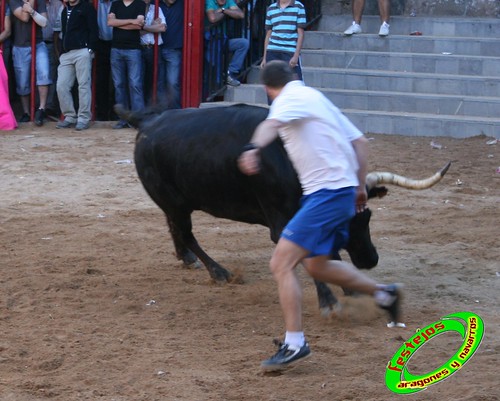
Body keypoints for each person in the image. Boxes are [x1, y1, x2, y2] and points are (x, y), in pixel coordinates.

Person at [238, 60, 402, 371]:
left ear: (267, 89)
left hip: (325, 195)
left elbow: (269, 126)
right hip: (334, 194)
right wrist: (358, 186)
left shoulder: (287, 99)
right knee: (318, 265)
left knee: (280, 263)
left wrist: (251, 148)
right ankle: (385, 293)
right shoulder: (316, 97)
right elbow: (360, 142)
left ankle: (295, 343)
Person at [55, 0, 98, 131]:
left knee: (83, 85)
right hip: (67, 53)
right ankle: (69, 116)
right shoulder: (64, 10)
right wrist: (62, 53)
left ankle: (83, 118)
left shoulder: (87, 8)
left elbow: (94, 30)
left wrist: (90, 50)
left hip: (82, 52)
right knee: (61, 85)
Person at [9, 0, 51, 126]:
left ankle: (41, 109)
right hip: (20, 46)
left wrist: (32, 10)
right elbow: (24, 17)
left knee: (44, 73)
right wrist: (30, 7)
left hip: (38, 43)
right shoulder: (13, 1)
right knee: (22, 83)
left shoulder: (40, 1)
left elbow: (44, 23)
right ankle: (27, 112)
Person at [108, 0, 146, 129]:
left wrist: (119, 22)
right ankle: (123, 119)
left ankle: (138, 120)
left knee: (135, 84)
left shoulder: (140, 4)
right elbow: (110, 22)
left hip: (133, 50)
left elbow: (139, 25)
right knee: (119, 85)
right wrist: (132, 21)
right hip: (116, 49)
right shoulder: (116, 3)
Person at [205, 0, 249, 87]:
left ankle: (229, 72)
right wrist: (228, 11)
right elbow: (212, 18)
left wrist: (223, 10)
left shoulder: (228, 2)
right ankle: (219, 79)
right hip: (210, 41)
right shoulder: (210, 2)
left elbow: (241, 14)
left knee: (243, 43)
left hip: (223, 40)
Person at [260, 0, 306, 81]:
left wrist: (296, 56)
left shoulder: (298, 7)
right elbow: (268, 34)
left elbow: (301, 34)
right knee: (273, 83)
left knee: (295, 83)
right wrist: (265, 57)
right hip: (272, 51)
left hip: (290, 51)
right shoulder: (271, 8)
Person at [140, 0, 166, 106]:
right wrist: (153, 26)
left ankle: (155, 109)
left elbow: (163, 28)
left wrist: (144, 27)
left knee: (156, 81)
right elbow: (134, 31)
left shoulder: (157, 9)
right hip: (139, 48)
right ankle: (141, 110)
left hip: (154, 49)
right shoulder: (135, 8)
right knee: (139, 81)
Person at [159, 0, 183, 108]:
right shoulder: (155, 4)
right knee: (158, 83)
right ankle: (160, 111)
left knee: (172, 83)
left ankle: (175, 111)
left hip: (174, 49)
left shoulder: (182, 4)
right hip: (156, 49)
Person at [43, 0, 63, 117]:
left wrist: (56, 50)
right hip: (35, 44)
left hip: (51, 43)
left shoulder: (58, 4)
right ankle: (38, 107)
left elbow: (57, 31)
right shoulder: (34, 3)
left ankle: (49, 107)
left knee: (52, 76)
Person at [95, 0, 115, 121]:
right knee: (101, 80)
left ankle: (114, 113)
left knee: (116, 81)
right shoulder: (95, 3)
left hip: (117, 43)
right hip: (100, 44)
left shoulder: (118, 2)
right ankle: (101, 113)